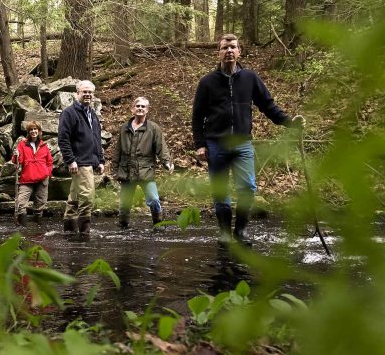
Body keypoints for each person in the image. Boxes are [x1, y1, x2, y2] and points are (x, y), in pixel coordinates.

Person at [192, 33, 302, 245]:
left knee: (248, 188)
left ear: (239, 51)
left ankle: (240, 232)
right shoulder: (207, 82)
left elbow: (268, 106)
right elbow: (197, 116)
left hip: (243, 143)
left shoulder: (250, 78)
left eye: (233, 47)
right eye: (225, 48)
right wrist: (200, 145)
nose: (229, 51)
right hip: (216, 144)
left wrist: (290, 123)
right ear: (219, 53)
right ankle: (224, 233)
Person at [113, 96, 173, 229]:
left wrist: (167, 162)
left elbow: (161, 147)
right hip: (127, 171)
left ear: (147, 110)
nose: (140, 108)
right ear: (132, 109)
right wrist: (115, 169)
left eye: (143, 106)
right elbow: (118, 150)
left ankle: (159, 226)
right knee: (125, 204)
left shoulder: (153, 128)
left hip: (146, 171)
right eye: (137, 106)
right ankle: (122, 228)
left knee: (154, 200)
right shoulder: (124, 128)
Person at [58, 80, 105, 234]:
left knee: (75, 197)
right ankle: (84, 233)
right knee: (87, 196)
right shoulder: (69, 113)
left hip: (90, 160)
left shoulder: (92, 114)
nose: (88, 95)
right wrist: (70, 160)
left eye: (90, 92)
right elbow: (63, 139)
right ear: (77, 93)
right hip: (80, 161)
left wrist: (100, 160)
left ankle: (69, 231)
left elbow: (96, 139)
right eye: (84, 92)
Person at [13, 121, 53, 226]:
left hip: (42, 178)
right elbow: (17, 161)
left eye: (35, 129)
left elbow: (49, 162)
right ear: (28, 132)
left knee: (40, 203)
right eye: (31, 129)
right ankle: (23, 228)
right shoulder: (22, 144)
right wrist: (16, 155)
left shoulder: (43, 145)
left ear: (39, 131)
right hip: (27, 178)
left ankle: (37, 226)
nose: (33, 131)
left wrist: (47, 173)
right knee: (21, 203)